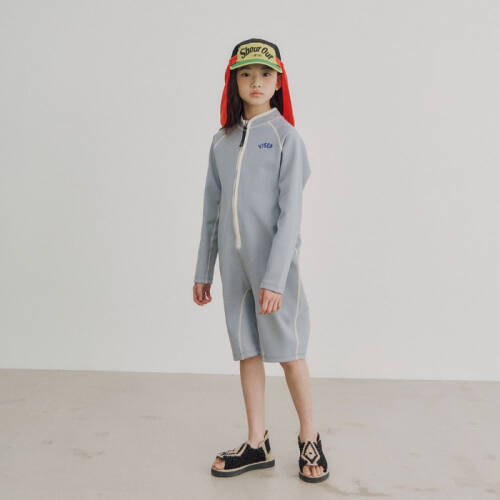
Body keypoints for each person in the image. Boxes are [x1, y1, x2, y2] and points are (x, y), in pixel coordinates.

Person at [192, 38, 329, 483]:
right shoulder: (222, 141)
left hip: (274, 268)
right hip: (233, 270)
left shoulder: (286, 137)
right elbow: (212, 211)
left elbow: (291, 216)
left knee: (289, 352)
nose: (256, 82)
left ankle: (309, 435)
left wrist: (274, 279)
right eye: (247, 74)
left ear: (278, 82)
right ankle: (257, 443)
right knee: (247, 351)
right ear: (233, 81)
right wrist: (203, 270)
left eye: (265, 74)